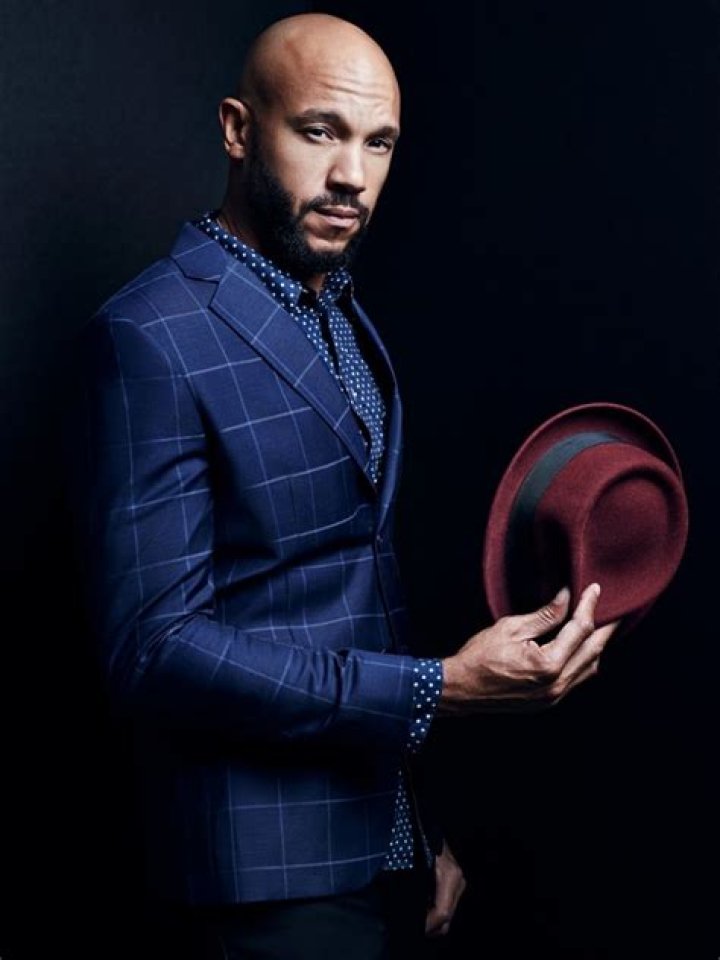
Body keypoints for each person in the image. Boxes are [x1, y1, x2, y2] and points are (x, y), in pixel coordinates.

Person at [62, 12, 618, 959]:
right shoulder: (149, 335)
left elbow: (350, 594)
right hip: (260, 881)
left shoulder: (339, 312)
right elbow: (153, 650)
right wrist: (439, 688)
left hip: (381, 847)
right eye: (320, 131)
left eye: (379, 142)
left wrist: (416, 827)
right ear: (238, 129)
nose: (352, 175)